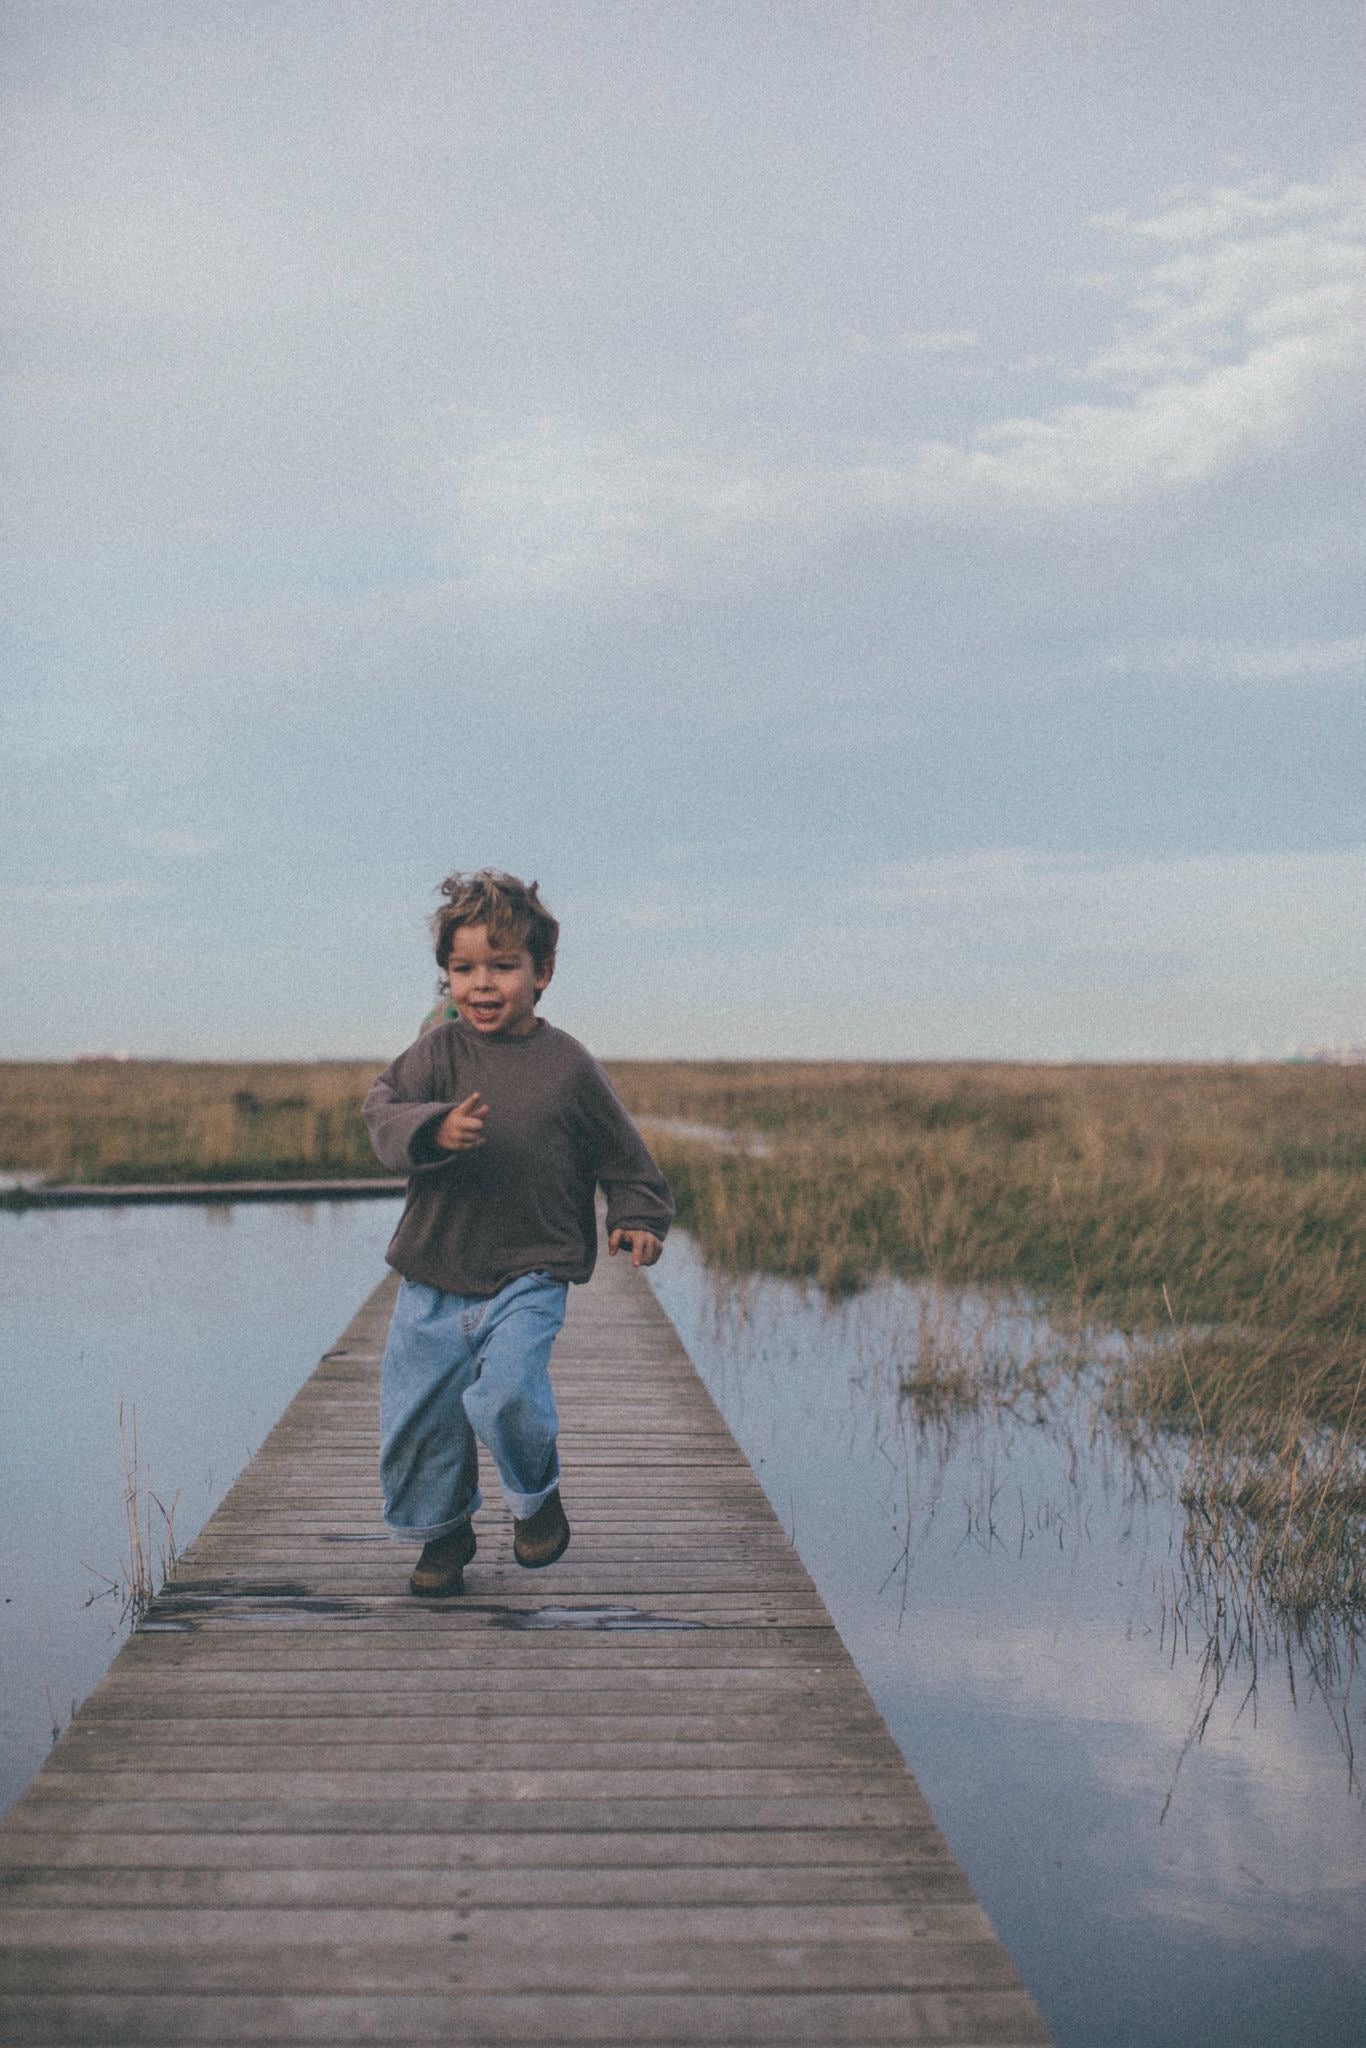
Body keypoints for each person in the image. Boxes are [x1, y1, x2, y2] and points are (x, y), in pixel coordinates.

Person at [362, 868, 673, 1597]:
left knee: (506, 1396)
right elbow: (381, 1114)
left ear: (543, 971)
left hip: (528, 1274)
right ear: (445, 977)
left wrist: (636, 1215)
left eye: (503, 966)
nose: (482, 985)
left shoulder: (566, 1066)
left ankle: (537, 1500)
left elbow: (622, 1155)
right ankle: (443, 1536)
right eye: (464, 969)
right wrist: (433, 1126)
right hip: (433, 1273)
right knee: (421, 1423)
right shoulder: (436, 1053)